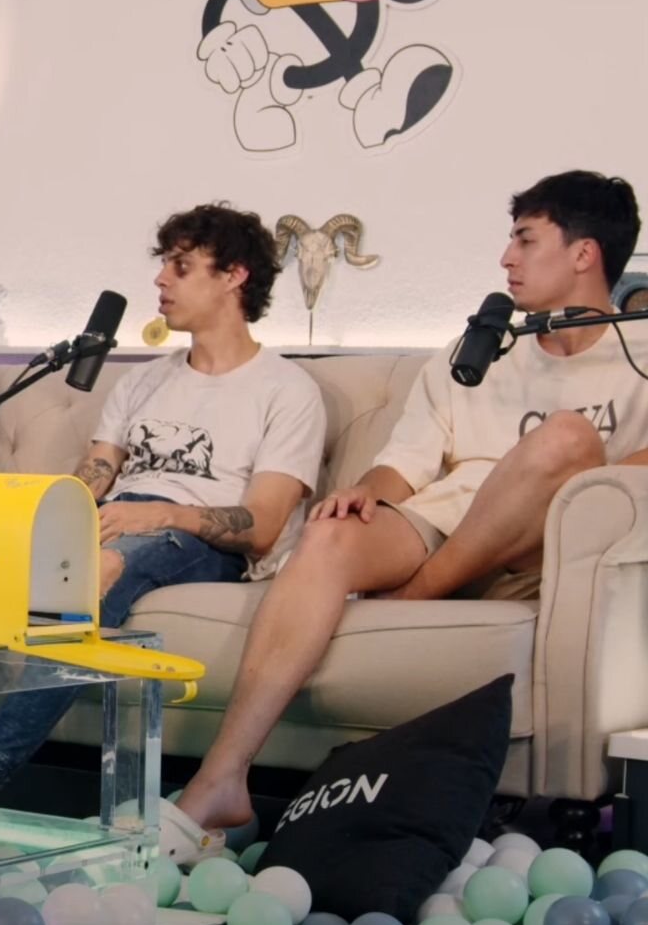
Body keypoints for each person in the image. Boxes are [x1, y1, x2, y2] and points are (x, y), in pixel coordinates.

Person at [166, 171, 648, 863]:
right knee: (330, 534)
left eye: (524, 240)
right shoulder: (474, 352)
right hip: (443, 527)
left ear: (584, 253)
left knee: (566, 439)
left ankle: (408, 603)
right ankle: (222, 779)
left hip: (549, 551)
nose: (506, 258)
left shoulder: (639, 355)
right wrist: (362, 492)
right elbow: (405, 466)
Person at [0, 204, 324, 800]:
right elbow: (96, 473)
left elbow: (262, 525)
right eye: (164, 265)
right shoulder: (142, 381)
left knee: (105, 566)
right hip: (119, 518)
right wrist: (38, 521)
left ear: (235, 275)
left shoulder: (287, 390)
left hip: (198, 540)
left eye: (181, 266)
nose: (161, 279)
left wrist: (160, 514)